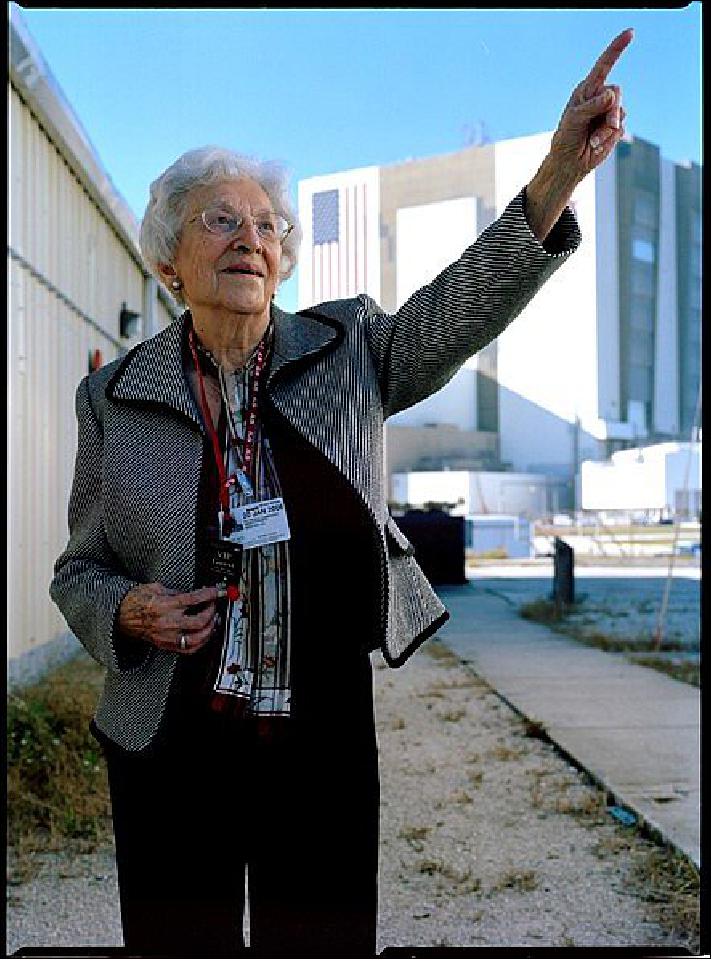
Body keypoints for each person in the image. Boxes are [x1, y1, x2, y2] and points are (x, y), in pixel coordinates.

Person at [50, 28, 632, 958]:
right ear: (168, 263)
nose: (251, 238)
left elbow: (459, 306)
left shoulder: (347, 349)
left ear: (283, 260)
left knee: (319, 938)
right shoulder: (113, 397)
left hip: (316, 728)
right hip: (169, 732)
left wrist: (557, 172)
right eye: (219, 221)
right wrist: (126, 610)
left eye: (267, 226)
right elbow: (79, 569)